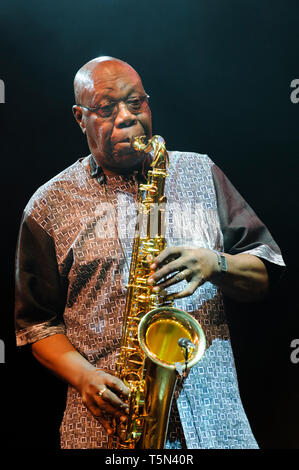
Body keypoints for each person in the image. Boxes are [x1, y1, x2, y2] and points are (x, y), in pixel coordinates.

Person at [14, 56, 285, 449]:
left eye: (136, 103)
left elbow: (266, 272)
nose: (127, 118)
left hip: (217, 427)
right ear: (79, 117)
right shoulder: (48, 205)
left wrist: (216, 264)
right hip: (105, 431)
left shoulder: (201, 172)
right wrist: (84, 376)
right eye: (107, 109)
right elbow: (35, 325)